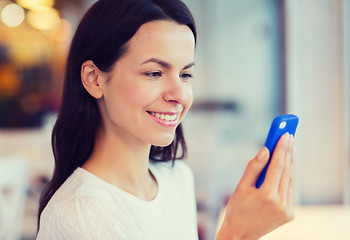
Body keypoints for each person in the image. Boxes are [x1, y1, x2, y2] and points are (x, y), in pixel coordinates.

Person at [37, 0, 295, 239]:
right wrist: (236, 232)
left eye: (185, 75)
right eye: (154, 73)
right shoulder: (80, 213)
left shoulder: (177, 178)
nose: (179, 95)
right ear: (94, 78)